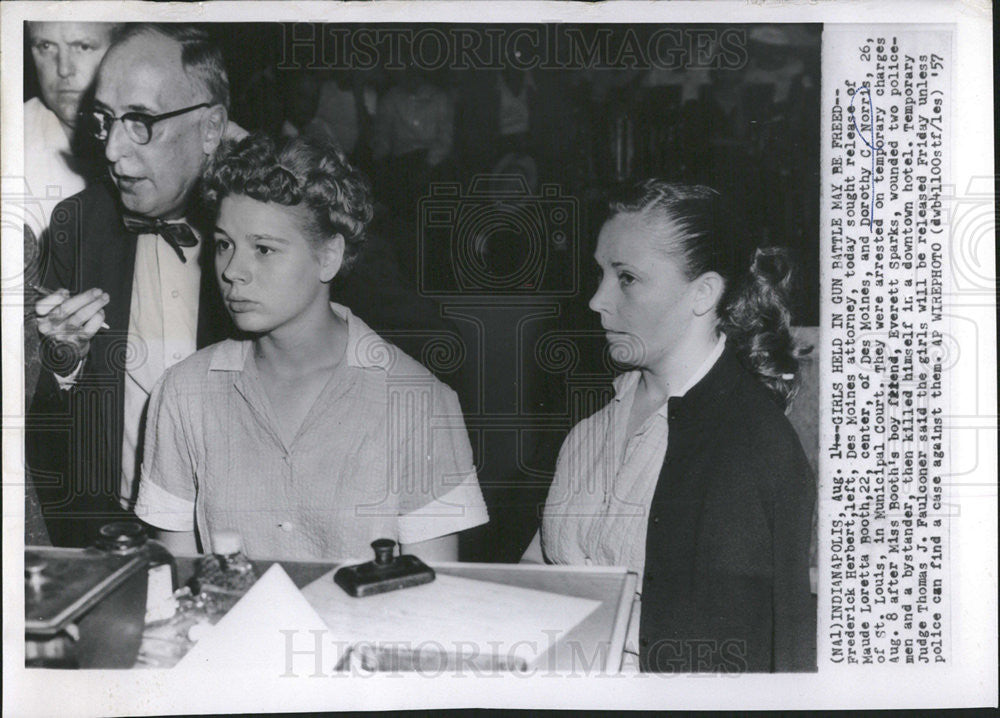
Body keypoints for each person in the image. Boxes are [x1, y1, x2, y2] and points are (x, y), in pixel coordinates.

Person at [134, 133, 489, 562]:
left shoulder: (418, 402)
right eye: (225, 244)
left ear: (329, 256)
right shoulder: (183, 393)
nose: (233, 271)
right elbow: (178, 578)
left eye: (264, 249)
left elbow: (436, 596)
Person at [522, 181, 816, 673]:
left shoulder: (753, 445)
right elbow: (540, 564)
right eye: (601, 273)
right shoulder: (595, 421)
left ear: (703, 293)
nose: (597, 300)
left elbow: (733, 658)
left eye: (627, 278)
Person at [28, 24, 238, 547]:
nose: (114, 151)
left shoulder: (270, 227)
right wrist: (61, 361)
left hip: (239, 533)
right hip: (113, 536)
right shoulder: (77, 224)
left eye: (141, 122)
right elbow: (47, 440)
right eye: (105, 121)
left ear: (211, 129)